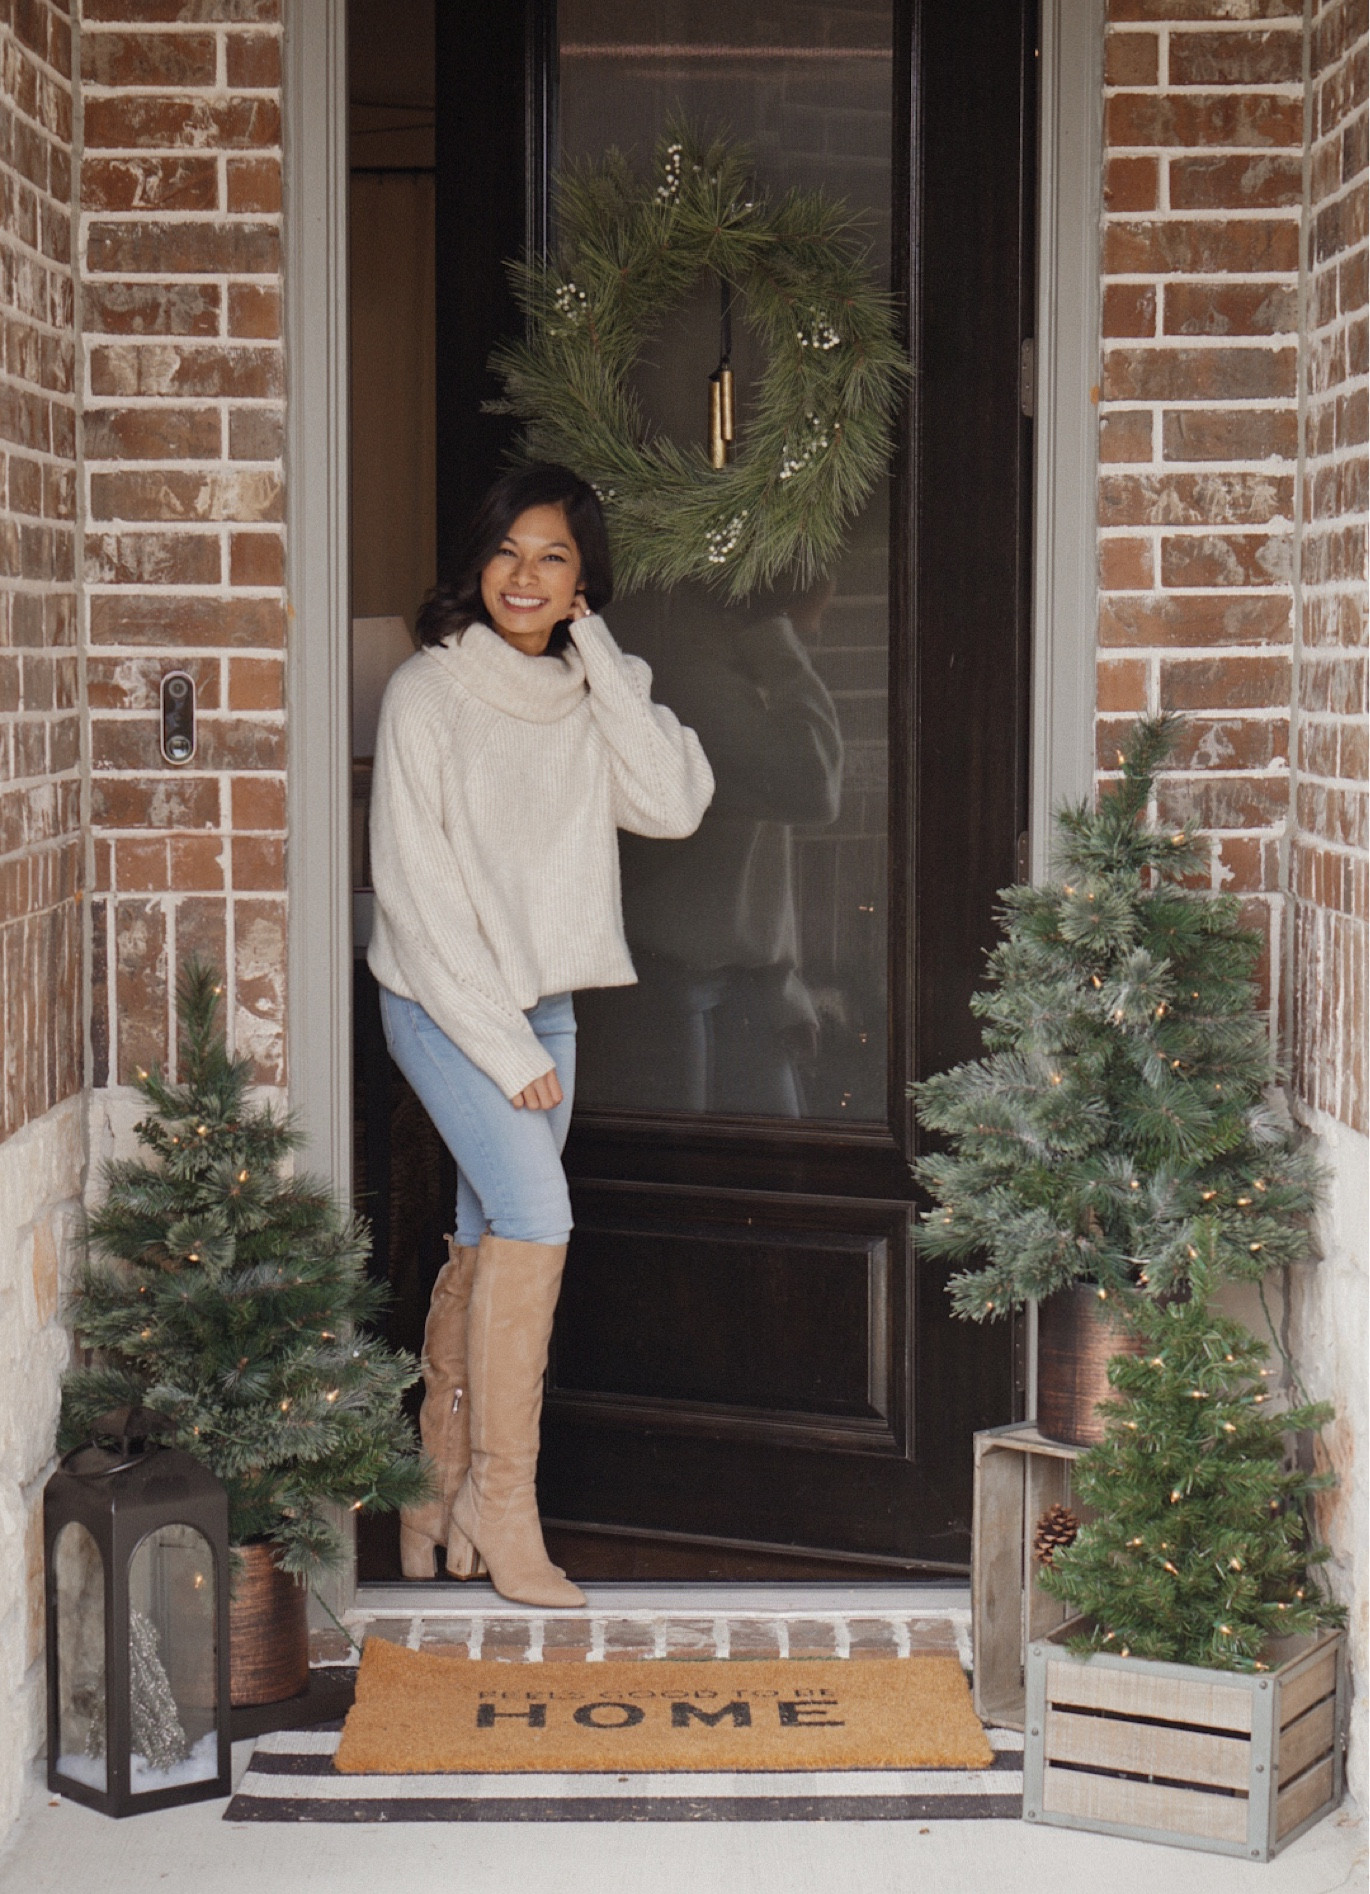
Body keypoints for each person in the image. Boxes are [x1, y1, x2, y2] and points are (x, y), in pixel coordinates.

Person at [367, 463, 714, 1606]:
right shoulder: (427, 692)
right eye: (507, 551)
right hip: (441, 1000)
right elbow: (415, 905)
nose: (524, 576)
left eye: (553, 557)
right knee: (534, 1217)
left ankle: (435, 1491)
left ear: (581, 581)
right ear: (477, 562)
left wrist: (601, 656)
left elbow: (670, 802)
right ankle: (505, 1515)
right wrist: (506, 1052)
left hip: (546, 1002)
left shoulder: (584, 690)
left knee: (486, 1236)